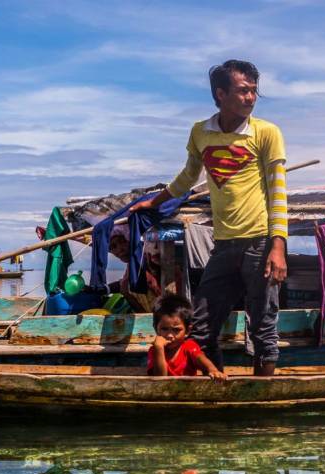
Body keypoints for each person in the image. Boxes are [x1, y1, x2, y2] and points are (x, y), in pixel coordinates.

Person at [131, 60, 288, 375]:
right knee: (201, 325)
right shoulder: (201, 132)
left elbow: (278, 191)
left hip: (259, 243)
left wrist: (278, 245)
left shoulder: (266, 132)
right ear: (221, 94)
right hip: (224, 245)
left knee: (262, 326)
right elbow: (188, 177)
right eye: (243, 91)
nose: (251, 97)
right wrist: (154, 202)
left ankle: (261, 396)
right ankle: (218, 382)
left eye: (255, 91)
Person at [148, 294, 225, 380]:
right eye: (164, 329)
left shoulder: (188, 347)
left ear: (187, 331)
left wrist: (212, 369)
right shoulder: (154, 350)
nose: (170, 335)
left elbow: (200, 358)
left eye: (176, 330)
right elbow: (160, 381)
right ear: (156, 329)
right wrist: (159, 349)